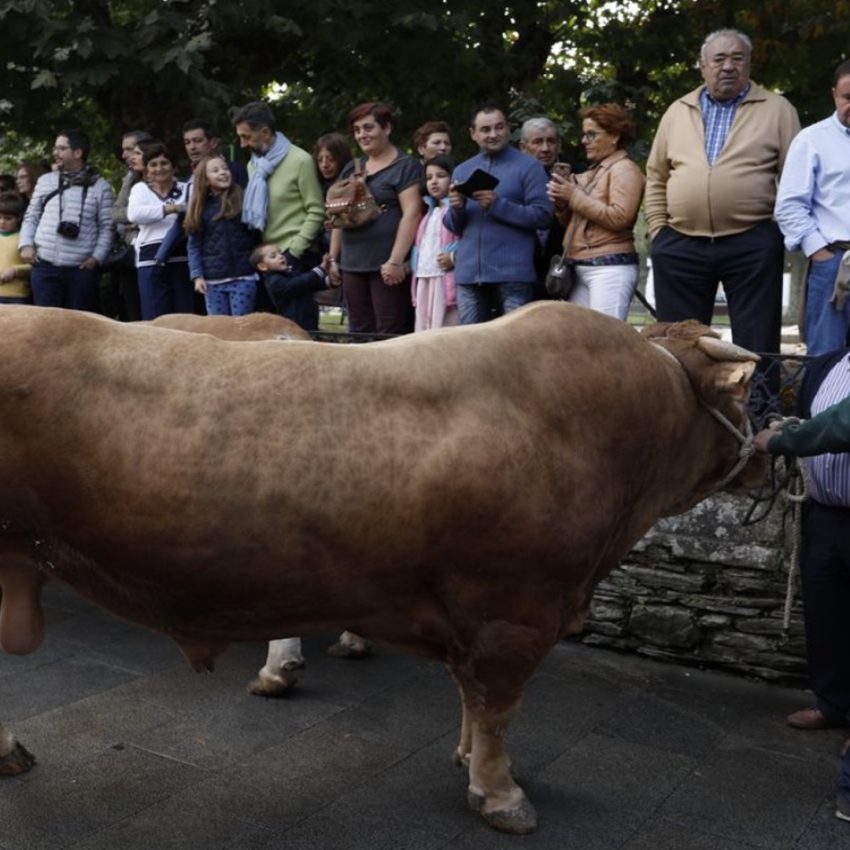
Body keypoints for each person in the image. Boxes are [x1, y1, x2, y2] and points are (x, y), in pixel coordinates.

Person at [645, 28, 800, 356]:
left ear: (749, 64)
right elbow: (656, 175)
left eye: (737, 58)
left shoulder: (778, 109)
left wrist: (775, 233)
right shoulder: (677, 111)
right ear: (702, 66)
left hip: (752, 241)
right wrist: (659, 231)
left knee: (757, 339)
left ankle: (759, 407)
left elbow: (794, 179)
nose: (728, 66)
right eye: (719, 59)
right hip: (680, 242)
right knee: (679, 342)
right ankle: (684, 408)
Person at [753, 350, 850, 823]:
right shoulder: (830, 361)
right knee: (825, 614)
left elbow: (838, 425)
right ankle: (832, 704)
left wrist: (780, 440)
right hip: (825, 513)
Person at [446, 102, 552, 324]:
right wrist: (457, 208)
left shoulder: (530, 167)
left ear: (508, 129)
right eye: (485, 129)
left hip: (513, 274)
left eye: (499, 127)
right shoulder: (462, 170)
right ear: (473, 134)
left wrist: (498, 205)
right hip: (469, 274)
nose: (493, 134)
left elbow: (543, 217)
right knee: (470, 347)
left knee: (515, 347)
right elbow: (455, 227)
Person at [774, 59, 850, 357]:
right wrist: (820, 253)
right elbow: (790, 205)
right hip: (833, 260)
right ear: (834, 95)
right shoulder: (812, 140)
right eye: (848, 98)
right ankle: (820, 407)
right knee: (825, 357)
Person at [328, 102, 423, 334]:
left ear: (386, 128)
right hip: (352, 264)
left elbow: (412, 213)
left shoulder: (405, 166)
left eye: (368, 128)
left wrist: (396, 261)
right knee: (359, 332)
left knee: (389, 333)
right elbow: (339, 216)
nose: (362, 135)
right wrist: (333, 258)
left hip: (385, 266)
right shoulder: (352, 168)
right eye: (357, 130)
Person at [546, 104, 645, 320]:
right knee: (578, 343)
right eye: (584, 134)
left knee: (606, 345)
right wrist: (562, 204)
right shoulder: (596, 171)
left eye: (591, 134)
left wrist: (573, 196)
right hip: (581, 266)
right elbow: (575, 223)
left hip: (610, 269)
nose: (584, 141)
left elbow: (620, 217)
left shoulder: (624, 169)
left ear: (615, 136)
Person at [18, 128, 114, 312]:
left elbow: (107, 227)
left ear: (78, 153)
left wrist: (97, 258)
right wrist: (26, 245)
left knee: (79, 328)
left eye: (61, 148)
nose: (55, 153)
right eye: (55, 148)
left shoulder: (101, 186)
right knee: (45, 325)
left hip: (81, 270)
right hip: (44, 265)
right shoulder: (46, 181)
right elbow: (31, 216)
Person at [232, 101, 325, 273]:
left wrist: (295, 251)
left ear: (265, 132)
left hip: (297, 255)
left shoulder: (300, 160)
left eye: (246, 136)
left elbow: (316, 209)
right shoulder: (253, 165)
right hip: (268, 257)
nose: (242, 144)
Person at [184, 154, 260, 316]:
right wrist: (197, 276)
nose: (223, 173)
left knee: (241, 326)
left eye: (225, 168)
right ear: (204, 179)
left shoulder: (242, 197)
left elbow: (255, 234)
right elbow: (194, 245)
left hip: (243, 277)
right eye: (215, 170)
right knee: (219, 328)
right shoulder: (199, 208)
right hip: (213, 281)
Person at [127, 142, 193, 319]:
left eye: (164, 163)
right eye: (153, 164)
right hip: (149, 260)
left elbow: (191, 216)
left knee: (185, 319)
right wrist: (171, 209)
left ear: (174, 167)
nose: (159, 169)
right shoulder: (140, 189)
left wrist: (157, 212)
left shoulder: (186, 188)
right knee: (154, 319)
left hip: (182, 258)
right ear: (147, 169)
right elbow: (135, 214)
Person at [520, 117, 569, 299]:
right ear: (523, 147)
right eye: (538, 142)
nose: (545, 148)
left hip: (564, 271)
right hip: (521, 272)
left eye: (551, 141)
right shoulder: (511, 178)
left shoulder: (577, 175)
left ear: (559, 145)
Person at [410, 155, 458, 330]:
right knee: (424, 325)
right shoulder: (428, 214)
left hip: (444, 278)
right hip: (424, 276)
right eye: (429, 178)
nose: (434, 182)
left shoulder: (455, 211)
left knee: (443, 326)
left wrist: (453, 256)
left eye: (441, 176)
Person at [111, 130, 154, 321]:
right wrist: (139, 215)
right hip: (131, 253)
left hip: (156, 252)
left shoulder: (162, 175)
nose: (124, 155)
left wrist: (139, 215)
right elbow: (116, 213)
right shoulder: (130, 178)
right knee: (133, 309)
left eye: (129, 150)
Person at [251, 243, 338, 331]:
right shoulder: (274, 282)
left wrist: (329, 282)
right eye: (273, 256)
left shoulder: (289, 275)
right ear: (263, 266)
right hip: (295, 324)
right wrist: (321, 269)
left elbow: (308, 285)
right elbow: (301, 282)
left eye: (280, 253)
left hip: (308, 319)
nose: (281, 256)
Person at [181, 118, 248, 187]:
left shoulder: (235, 171)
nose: (192, 147)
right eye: (187, 143)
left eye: (198, 141)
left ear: (214, 143)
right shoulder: (189, 178)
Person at [0, 191, 30, 304]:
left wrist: (15, 270)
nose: (2, 222)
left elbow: (34, 265)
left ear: (18, 218)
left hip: (16, 295)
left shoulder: (24, 238)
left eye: (8, 218)